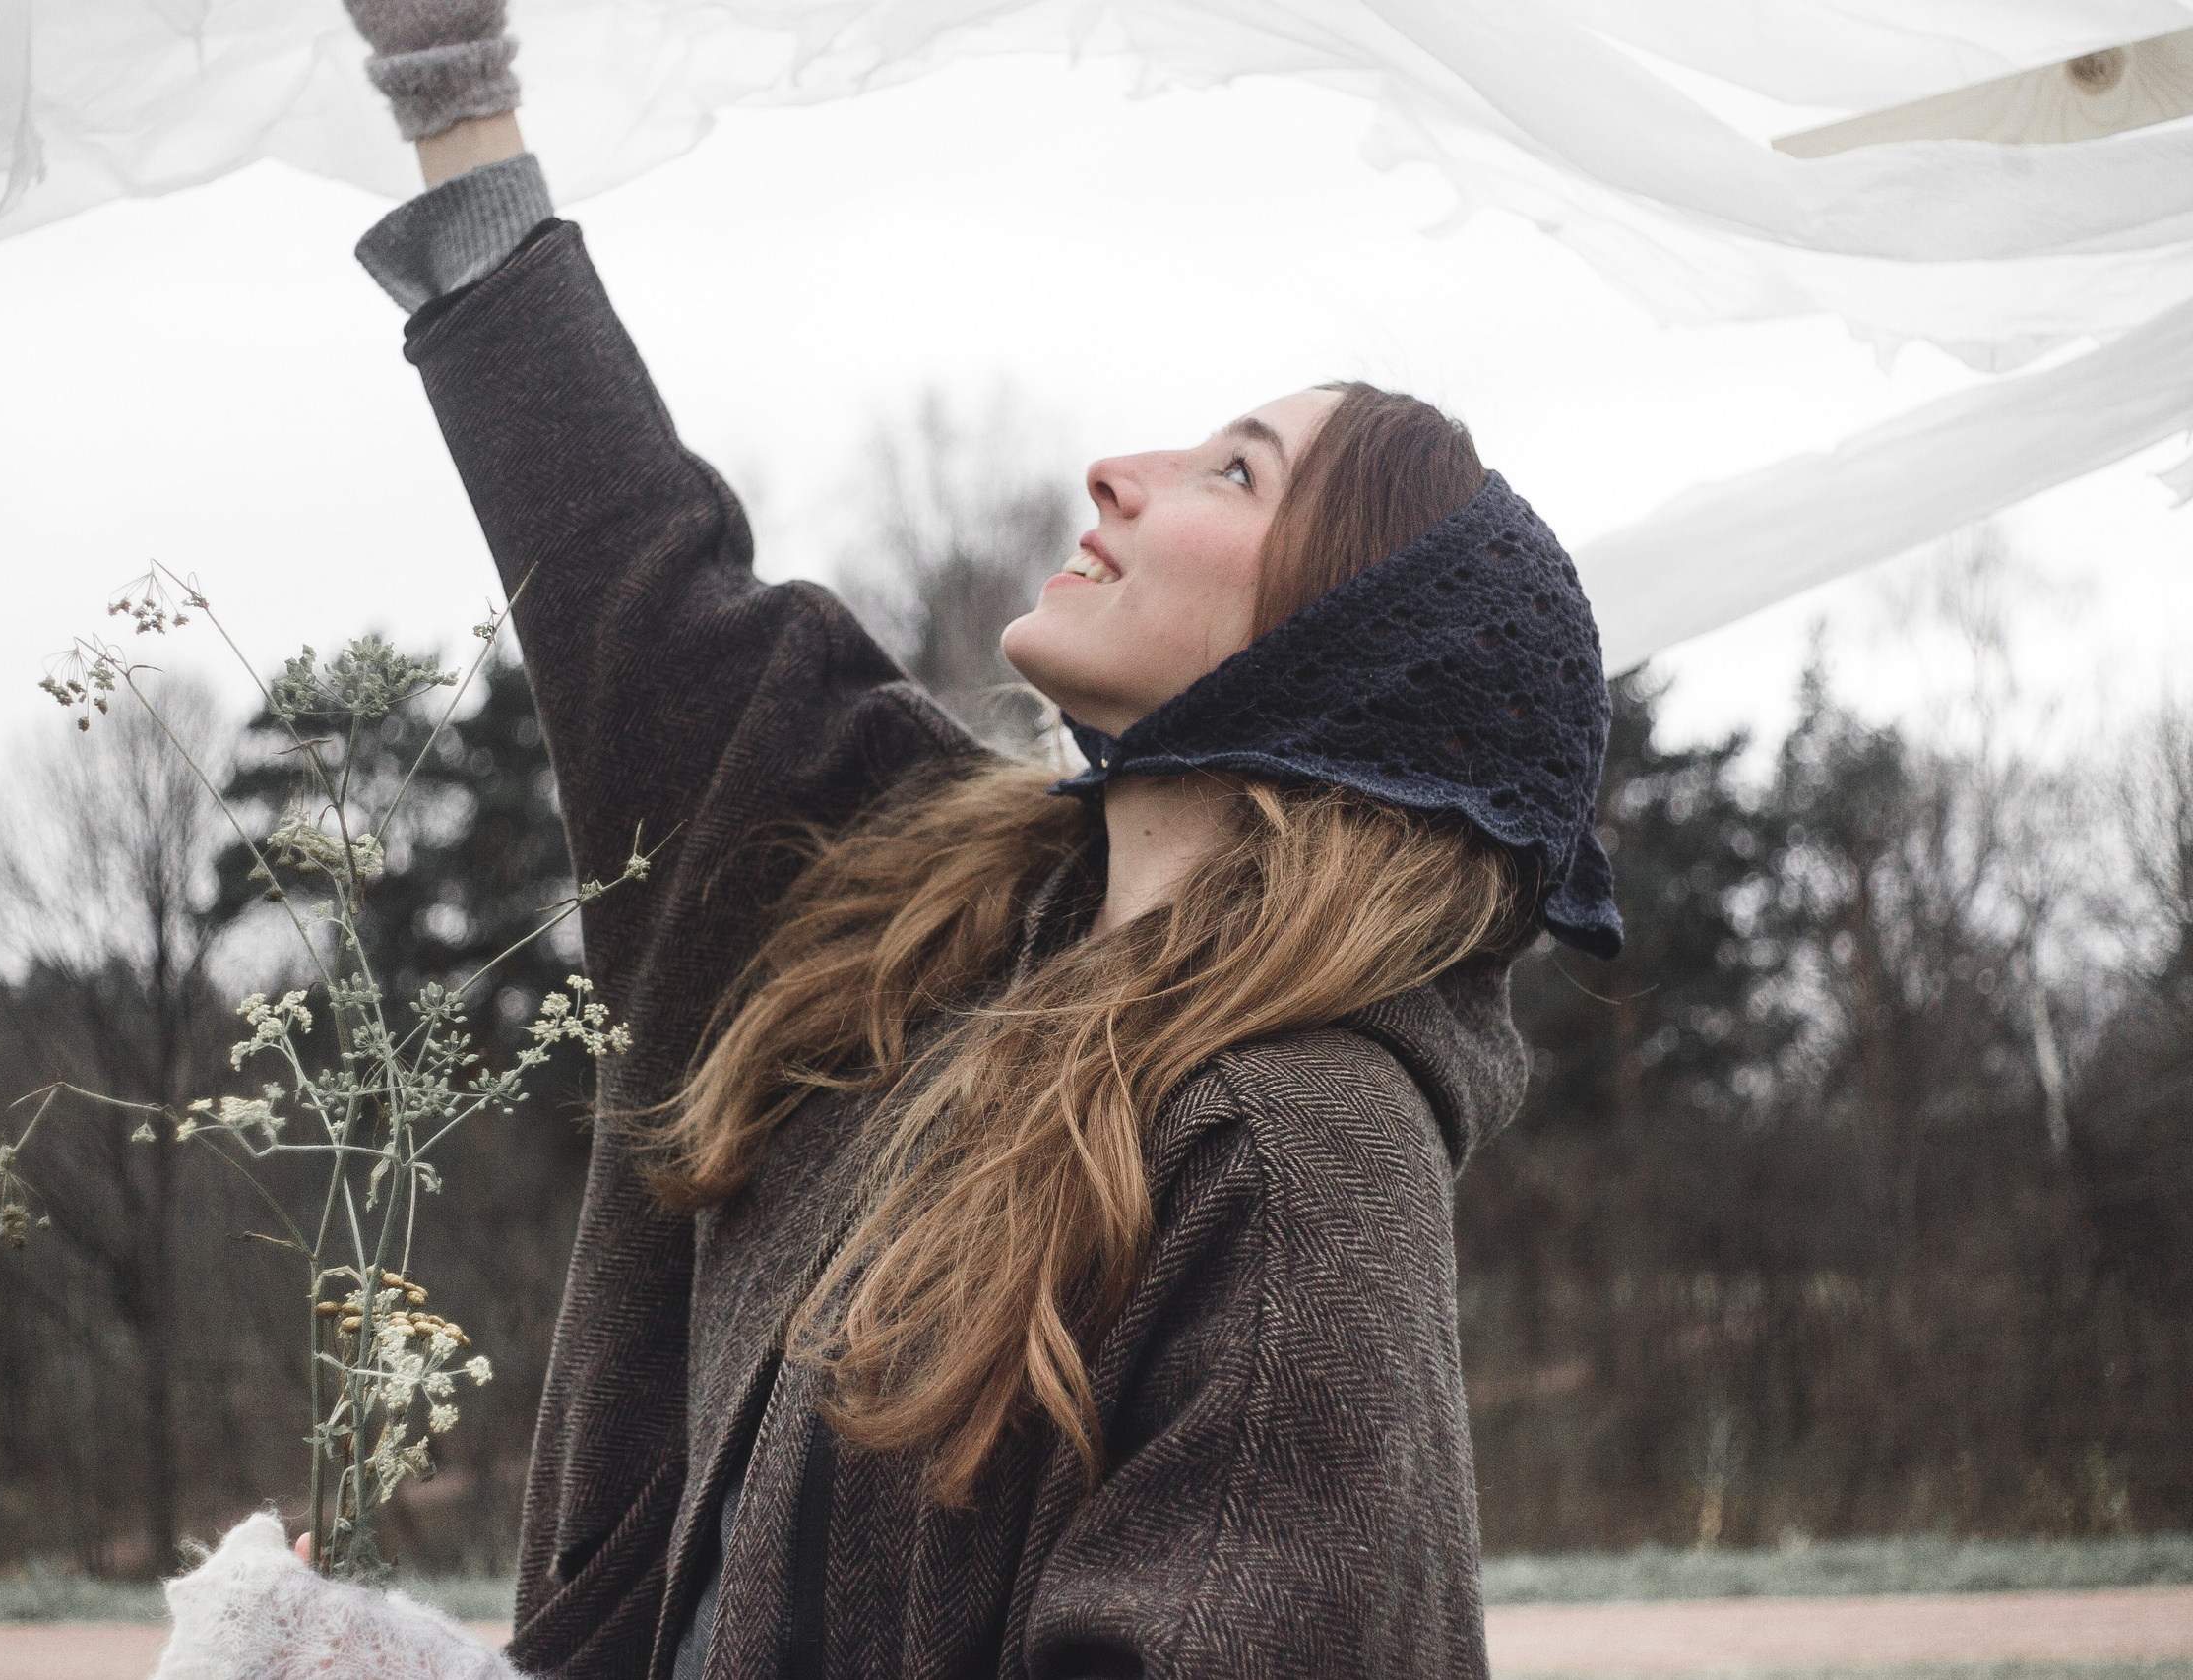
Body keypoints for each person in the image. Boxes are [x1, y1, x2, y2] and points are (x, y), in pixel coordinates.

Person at [156, 2, 1622, 1676]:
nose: (1120, 471)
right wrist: (450, 76)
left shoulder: (1298, 1157)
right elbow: (635, 570)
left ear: (1346, 653)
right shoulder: (903, 892)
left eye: (1232, 469)